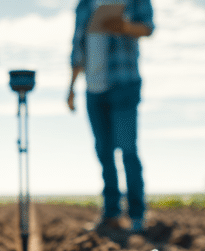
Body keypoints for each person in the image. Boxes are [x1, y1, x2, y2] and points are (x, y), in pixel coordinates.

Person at [68, 0, 154, 234]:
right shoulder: (84, 4)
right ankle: (111, 213)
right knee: (104, 153)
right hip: (93, 88)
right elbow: (78, 45)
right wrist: (72, 86)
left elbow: (148, 28)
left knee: (127, 150)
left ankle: (137, 216)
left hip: (124, 82)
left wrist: (123, 26)